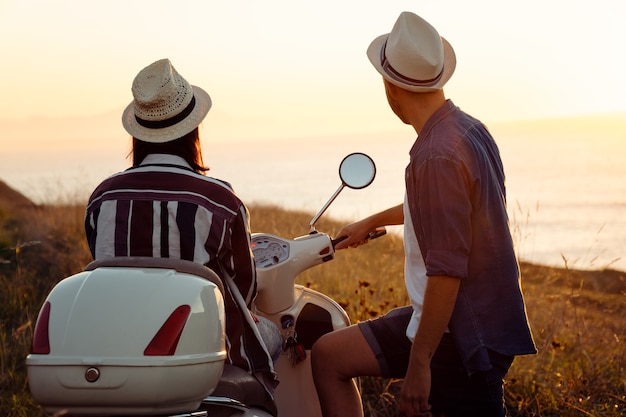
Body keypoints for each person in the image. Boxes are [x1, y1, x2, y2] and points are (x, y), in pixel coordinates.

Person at [311, 12, 536, 417]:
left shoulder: (435, 155)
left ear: (390, 86)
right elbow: (443, 211)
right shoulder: (467, 129)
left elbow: (447, 271)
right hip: (459, 322)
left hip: (461, 338)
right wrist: (371, 221)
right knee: (329, 356)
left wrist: (418, 367)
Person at [84, 58, 280, 398]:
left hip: (119, 349)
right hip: (204, 351)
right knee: (278, 336)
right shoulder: (219, 200)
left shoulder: (103, 198)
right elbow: (244, 290)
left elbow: (104, 271)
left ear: (139, 134)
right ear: (192, 130)